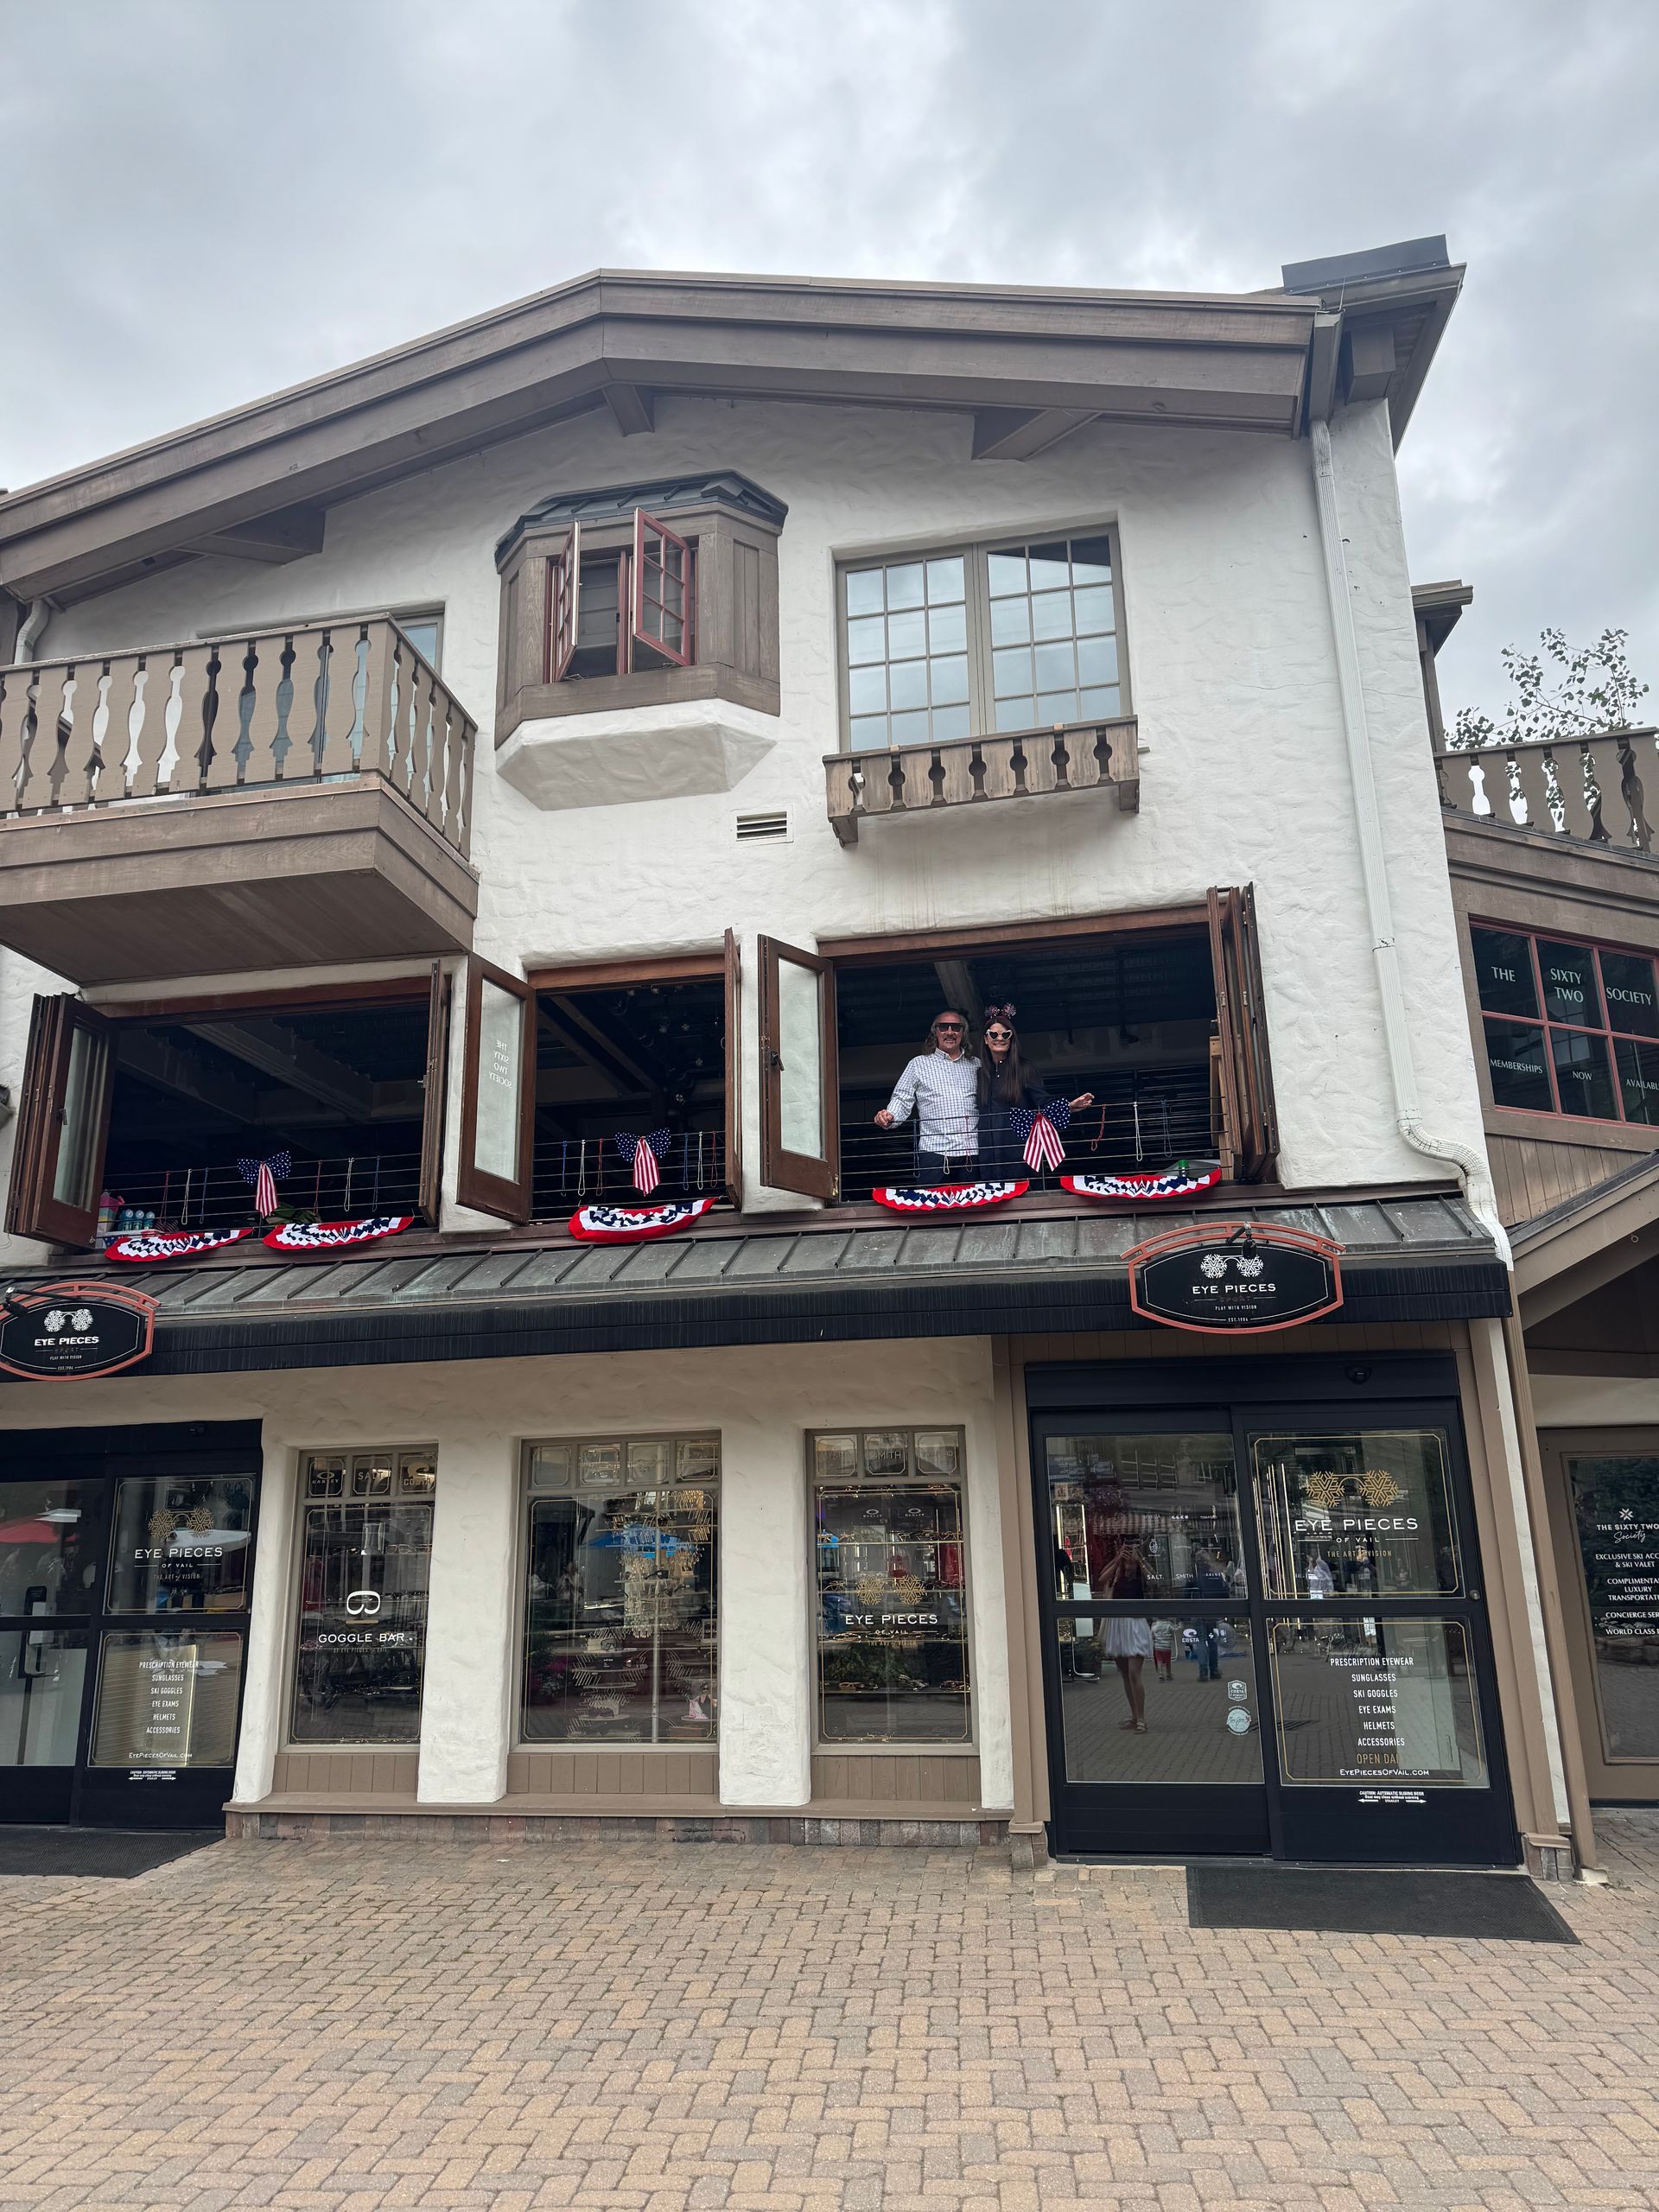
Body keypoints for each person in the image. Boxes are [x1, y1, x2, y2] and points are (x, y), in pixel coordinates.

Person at [975, 1005, 1094, 1177]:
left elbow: (1043, 1100)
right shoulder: (980, 1074)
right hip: (988, 1150)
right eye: (994, 1034)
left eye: (1005, 1035)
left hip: (1017, 1148)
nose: (999, 1038)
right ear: (986, 1039)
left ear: (1011, 1039)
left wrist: (1068, 1106)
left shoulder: (1025, 1068)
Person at [874, 1011, 982, 1184]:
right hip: (934, 1152)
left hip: (971, 1151)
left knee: (975, 1202)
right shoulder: (918, 1064)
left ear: (963, 1032)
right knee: (930, 1202)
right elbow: (902, 1098)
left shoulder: (976, 1065)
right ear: (935, 1031)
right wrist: (890, 1115)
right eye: (943, 1027)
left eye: (956, 1027)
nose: (949, 1032)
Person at [1100, 1535, 1154, 1732]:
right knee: (1124, 1674)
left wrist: (1140, 1560)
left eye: (1132, 1560)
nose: (1129, 1563)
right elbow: (1101, 1579)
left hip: (1136, 1625)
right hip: (1118, 1625)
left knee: (1133, 1673)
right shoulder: (1117, 1574)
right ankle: (1134, 1715)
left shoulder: (1141, 1577)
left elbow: (1155, 1581)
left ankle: (1142, 1719)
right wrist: (1117, 1560)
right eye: (1127, 1559)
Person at [1150, 1618, 1177, 1682]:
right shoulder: (1169, 1625)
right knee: (1168, 1661)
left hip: (1157, 1647)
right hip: (1167, 1647)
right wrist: (1179, 1625)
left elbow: (1152, 1635)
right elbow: (1174, 1630)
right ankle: (1169, 1674)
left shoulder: (1154, 1626)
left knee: (1159, 1660)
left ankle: (1160, 1674)